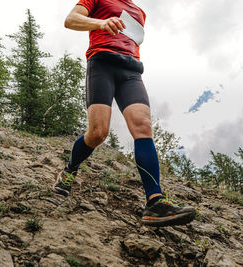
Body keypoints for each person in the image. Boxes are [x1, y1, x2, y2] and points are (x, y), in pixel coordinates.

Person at [53, 0, 196, 226]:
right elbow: (71, 20)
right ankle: (69, 170)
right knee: (98, 133)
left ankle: (155, 202)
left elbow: (133, 38)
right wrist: (101, 23)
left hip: (131, 69)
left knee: (143, 126)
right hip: (102, 63)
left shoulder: (139, 12)